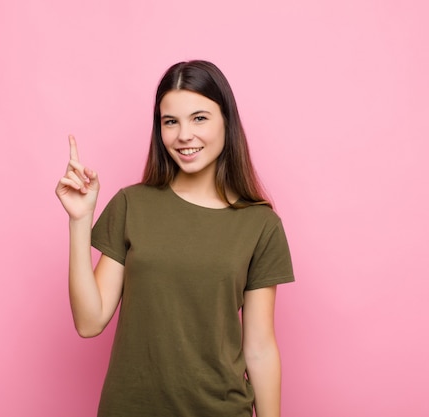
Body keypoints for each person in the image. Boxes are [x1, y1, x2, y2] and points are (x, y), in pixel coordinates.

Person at [55, 60, 294, 417]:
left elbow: (259, 348)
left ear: (226, 121)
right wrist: (79, 220)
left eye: (199, 118)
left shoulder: (260, 224)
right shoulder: (131, 204)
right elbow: (89, 322)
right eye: (171, 122)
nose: (184, 135)